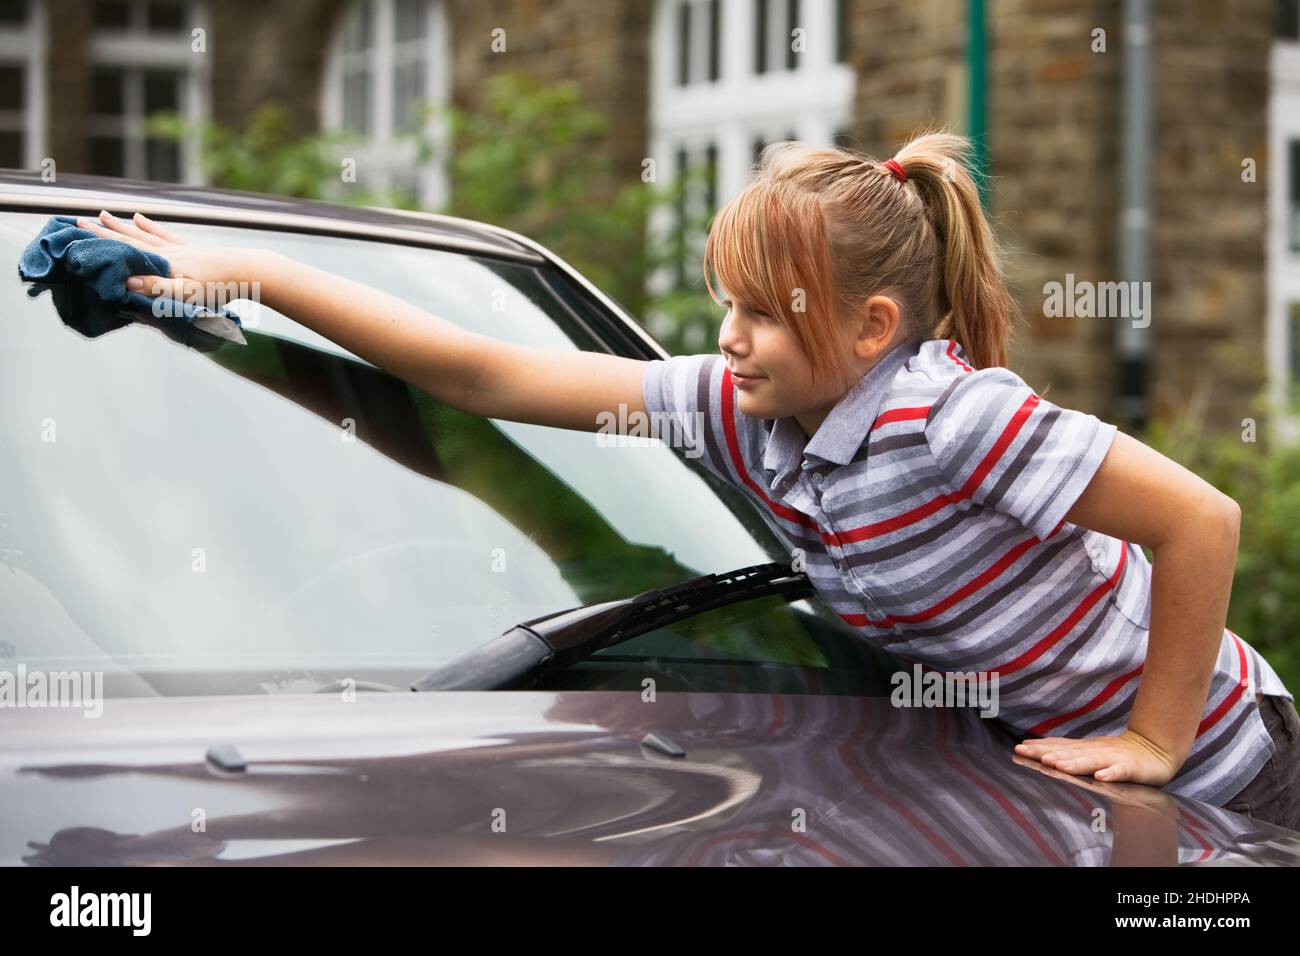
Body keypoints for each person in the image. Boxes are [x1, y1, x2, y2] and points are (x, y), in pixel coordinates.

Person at [73, 127, 1298, 831]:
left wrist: (1151, 735)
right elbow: (486, 375)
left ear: (871, 329)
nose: (727, 336)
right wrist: (246, 276)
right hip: (1053, 787)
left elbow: (1200, 516)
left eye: (764, 312)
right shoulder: (738, 411)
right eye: (726, 305)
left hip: (1231, 769)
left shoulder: (952, 416)